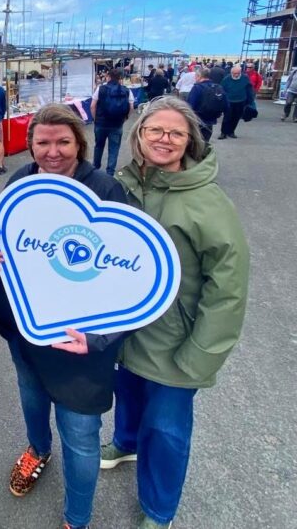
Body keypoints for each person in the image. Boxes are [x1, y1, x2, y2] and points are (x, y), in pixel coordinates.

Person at [0, 104, 128, 529]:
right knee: (32, 393)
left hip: (80, 338)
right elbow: (1, 235)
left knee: (79, 432)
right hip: (26, 325)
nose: (52, 152)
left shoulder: (106, 189)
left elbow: (128, 274)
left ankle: (77, 519)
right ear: (31, 143)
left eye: (63, 141)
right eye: (43, 142)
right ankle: (37, 449)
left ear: (80, 142)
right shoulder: (21, 180)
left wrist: (97, 338)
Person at [102, 97, 249, 529]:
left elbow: (228, 290)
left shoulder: (207, 202)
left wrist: (201, 354)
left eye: (176, 133)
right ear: (139, 135)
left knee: (166, 430)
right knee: (126, 396)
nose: (164, 139)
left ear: (189, 142)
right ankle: (125, 443)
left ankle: (158, 509)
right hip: (125, 334)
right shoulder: (122, 187)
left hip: (175, 342)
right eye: (155, 130)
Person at [90, 68, 134, 176]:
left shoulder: (101, 88)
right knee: (114, 148)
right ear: (120, 78)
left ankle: (95, 167)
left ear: (108, 77)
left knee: (99, 146)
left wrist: (95, 119)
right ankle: (110, 172)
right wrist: (125, 118)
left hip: (101, 123)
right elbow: (131, 107)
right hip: (117, 124)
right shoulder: (126, 90)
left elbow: (92, 106)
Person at [187, 68, 228, 142]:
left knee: (195, 143)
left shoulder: (197, 88)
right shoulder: (218, 87)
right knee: (205, 142)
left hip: (197, 120)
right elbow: (226, 104)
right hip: (210, 120)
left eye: (196, 76)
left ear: (199, 76)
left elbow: (190, 105)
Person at [218, 65, 254, 139]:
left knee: (236, 117)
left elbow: (249, 89)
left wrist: (250, 100)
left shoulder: (245, 78)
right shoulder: (226, 79)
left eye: (238, 73)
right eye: (234, 73)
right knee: (227, 117)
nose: (236, 75)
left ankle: (231, 131)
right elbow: (222, 90)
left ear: (240, 72)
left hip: (241, 100)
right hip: (229, 101)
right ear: (231, 73)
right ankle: (223, 132)